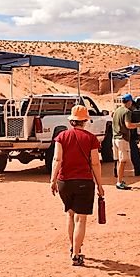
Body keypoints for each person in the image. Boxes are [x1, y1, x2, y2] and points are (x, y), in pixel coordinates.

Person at [50, 104, 105, 266]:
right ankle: (76, 253)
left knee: (70, 214)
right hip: (84, 182)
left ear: (72, 121)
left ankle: (72, 246)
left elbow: (57, 160)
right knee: (81, 219)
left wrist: (53, 180)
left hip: (64, 182)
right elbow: (95, 163)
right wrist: (100, 185)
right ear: (85, 121)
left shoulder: (61, 137)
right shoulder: (91, 139)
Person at [111, 94, 140, 190]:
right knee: (123, 161)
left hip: (115, 138)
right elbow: (128, 125)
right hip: (122, 139)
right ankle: (119, 182)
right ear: (129, 102)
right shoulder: (126, 112)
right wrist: (139, 125)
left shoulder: (116, 111)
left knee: (118, 160)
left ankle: (119, 180)